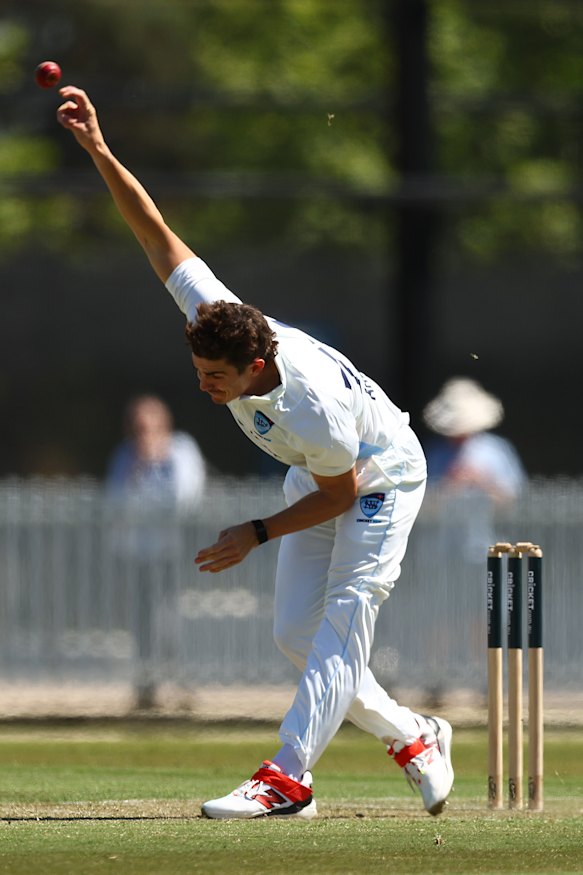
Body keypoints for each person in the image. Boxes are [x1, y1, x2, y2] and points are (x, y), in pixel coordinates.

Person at [57, 85, 454, 819]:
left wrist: (256, 533)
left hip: (379, 477)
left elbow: (341, 493)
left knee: (342, 615)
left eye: (216, 379)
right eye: (199, 374)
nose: (206, 390)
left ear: (256, 367)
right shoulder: (219, 317)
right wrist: (99, 150)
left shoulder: (308, 403)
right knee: (293, 632)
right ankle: (413, 733)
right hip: (320, 472)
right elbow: (155, 234)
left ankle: (289, 777)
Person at [106, 395, 206, 709]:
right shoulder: (126, 455)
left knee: (172, 618)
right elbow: (115, 500)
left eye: (148, 427)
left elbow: (186, 497)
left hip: (173, 551)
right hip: (137, 552)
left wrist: (158, 461)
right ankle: (146, 688)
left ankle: (182, 685)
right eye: (137, 428)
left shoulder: (181, 450)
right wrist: (140, 466)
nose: (143, 435)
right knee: (142, 622)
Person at [422, 378, 526, 562]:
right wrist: (449, 485)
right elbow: (422, 506)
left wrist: (481, 481)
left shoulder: (496, 451)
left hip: (489, 548)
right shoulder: (436, 454)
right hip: (443, 553)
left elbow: (518, 500)